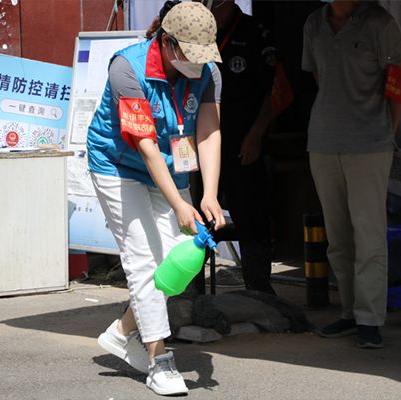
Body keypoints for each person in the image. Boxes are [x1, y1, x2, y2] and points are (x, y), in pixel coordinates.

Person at [86, 1, 226, 395]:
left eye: (203, 56)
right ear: (167, 42)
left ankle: (121, 332)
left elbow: (209, 131)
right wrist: (180, 204)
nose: (198, 64)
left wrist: (209, 194)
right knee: (143, 261)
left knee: (176, 263)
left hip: (172, 165)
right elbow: (145, 144)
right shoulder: (126, 68)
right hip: (118, 166)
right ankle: (158, 360)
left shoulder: (209, 72)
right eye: (190, 55)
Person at [302, 0, 401, 348]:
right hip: (323, 140)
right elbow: (319, 75)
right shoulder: (313, 23)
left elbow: (398, 79)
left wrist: (388, 132)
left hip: (370, 143)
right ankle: (349, 311)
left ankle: (370, 318)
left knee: (369, 232)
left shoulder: (379, 22)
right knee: (338, 235)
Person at [196, 0, 277, 294]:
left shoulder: (254, 32)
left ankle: (259, 290)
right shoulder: (197, 31)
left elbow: (275, 91)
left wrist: (257, 133)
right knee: (198, 218)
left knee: (252, 215)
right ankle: (193, 291)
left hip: (243, 144)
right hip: (202, 144)